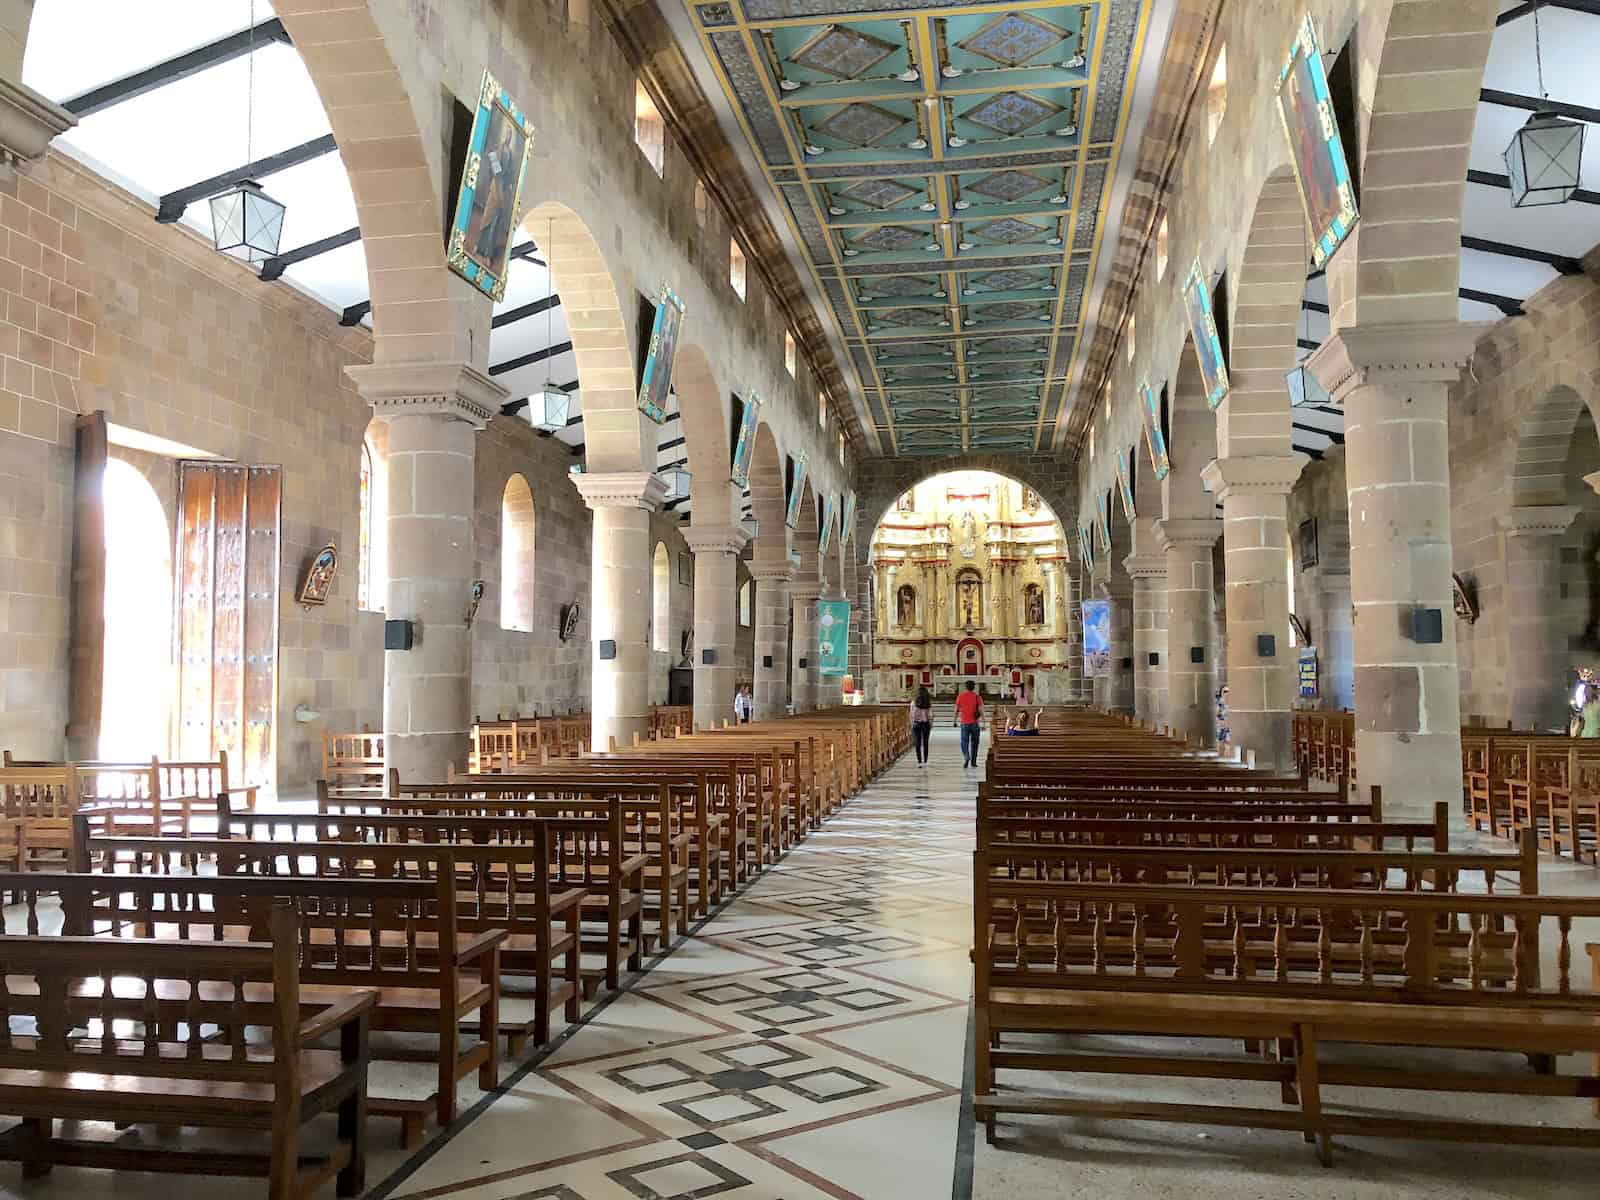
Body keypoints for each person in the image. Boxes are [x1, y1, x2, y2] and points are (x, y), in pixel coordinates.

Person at [955, 681, 984, 768]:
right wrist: (984, 722)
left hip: (964, 722)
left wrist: (954, 720)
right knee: (975, 743)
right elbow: (981, 710)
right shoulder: (977, 697)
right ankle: (973, 762)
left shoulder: (961, 696)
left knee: (964, 741)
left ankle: (966, 756)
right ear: (974, 687)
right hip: (975, 723)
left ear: (966, 687)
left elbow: (956, 709)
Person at [910, 686, 933, 764]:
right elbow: (930, 715)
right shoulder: (928, 702)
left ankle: (919, 760)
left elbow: (912, 715)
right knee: (926, 742)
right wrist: (931, 723)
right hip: (926, 724)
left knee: (918, 743)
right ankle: (925, 760)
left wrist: (912, 723)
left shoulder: (913, 703)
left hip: (916, 724)